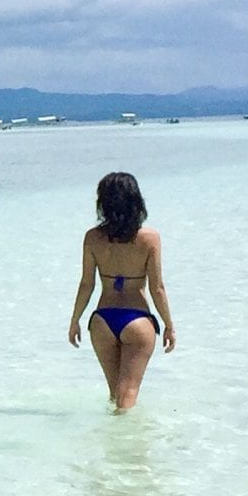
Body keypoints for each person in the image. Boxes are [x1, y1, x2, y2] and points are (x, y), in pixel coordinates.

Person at [69, 169, 176, 411]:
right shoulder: (150, 239)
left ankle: (112, 443)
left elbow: (87, 283)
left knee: (115, 392)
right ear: (136, 201)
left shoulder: (92, 238)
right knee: (128, 393)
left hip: (102, 321)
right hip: (136, 320)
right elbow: (157, 288)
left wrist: (75, 321)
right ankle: (126, 446)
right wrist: (169, 325)